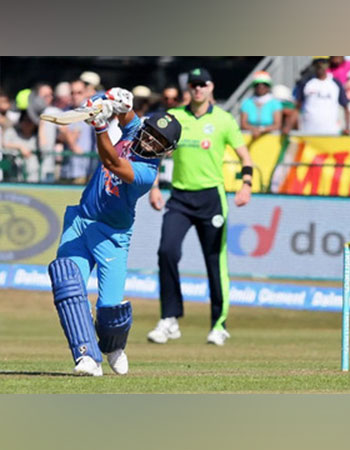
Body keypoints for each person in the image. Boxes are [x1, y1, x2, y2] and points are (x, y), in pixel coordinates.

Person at [47, 87, 182, 376]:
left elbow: (110, 161)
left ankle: (114, 344)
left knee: (110, 309)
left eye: (159, 142)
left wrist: (99, 127)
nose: (149, 141)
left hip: (113, 236)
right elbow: (126, 114)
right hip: (81, 222)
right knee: (67, 283)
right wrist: (113, 98)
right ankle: (86, 357)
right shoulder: (135, 130)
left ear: (166, 151)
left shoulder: (147, 174)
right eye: (149, 133)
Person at [147, 68, 253, 347]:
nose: (197, 89)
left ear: (211, 87)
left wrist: (246, 185)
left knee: (214, 262)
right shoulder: (177, 118)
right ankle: (169, 319)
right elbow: (157, 151)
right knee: (167, 251)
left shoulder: (223, 119)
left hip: (211, 198)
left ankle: (219, 324)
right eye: (193, 85)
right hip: (180, 198)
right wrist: (154, 186)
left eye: (202, 84)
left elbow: (245, 155)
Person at [295, 57, 350, 135]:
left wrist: (347, 127)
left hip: (331, 133)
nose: (320, 66)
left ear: (328, 65)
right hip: (308, 133)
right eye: (317, 63)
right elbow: (297, 107)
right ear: (313, 65)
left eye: (323, 63)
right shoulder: (305, 83)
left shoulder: (336, 84)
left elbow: (346, 106)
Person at [240, 71, 282, 141]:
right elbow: (243, 124)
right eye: (258, 84)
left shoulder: (275, 103)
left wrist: (261, 130)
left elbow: (277, 125)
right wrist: (254, 129)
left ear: (268, 86)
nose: (261, 87)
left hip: (271, 140)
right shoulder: (246, 103)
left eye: (264, 84)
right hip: (249, 139)